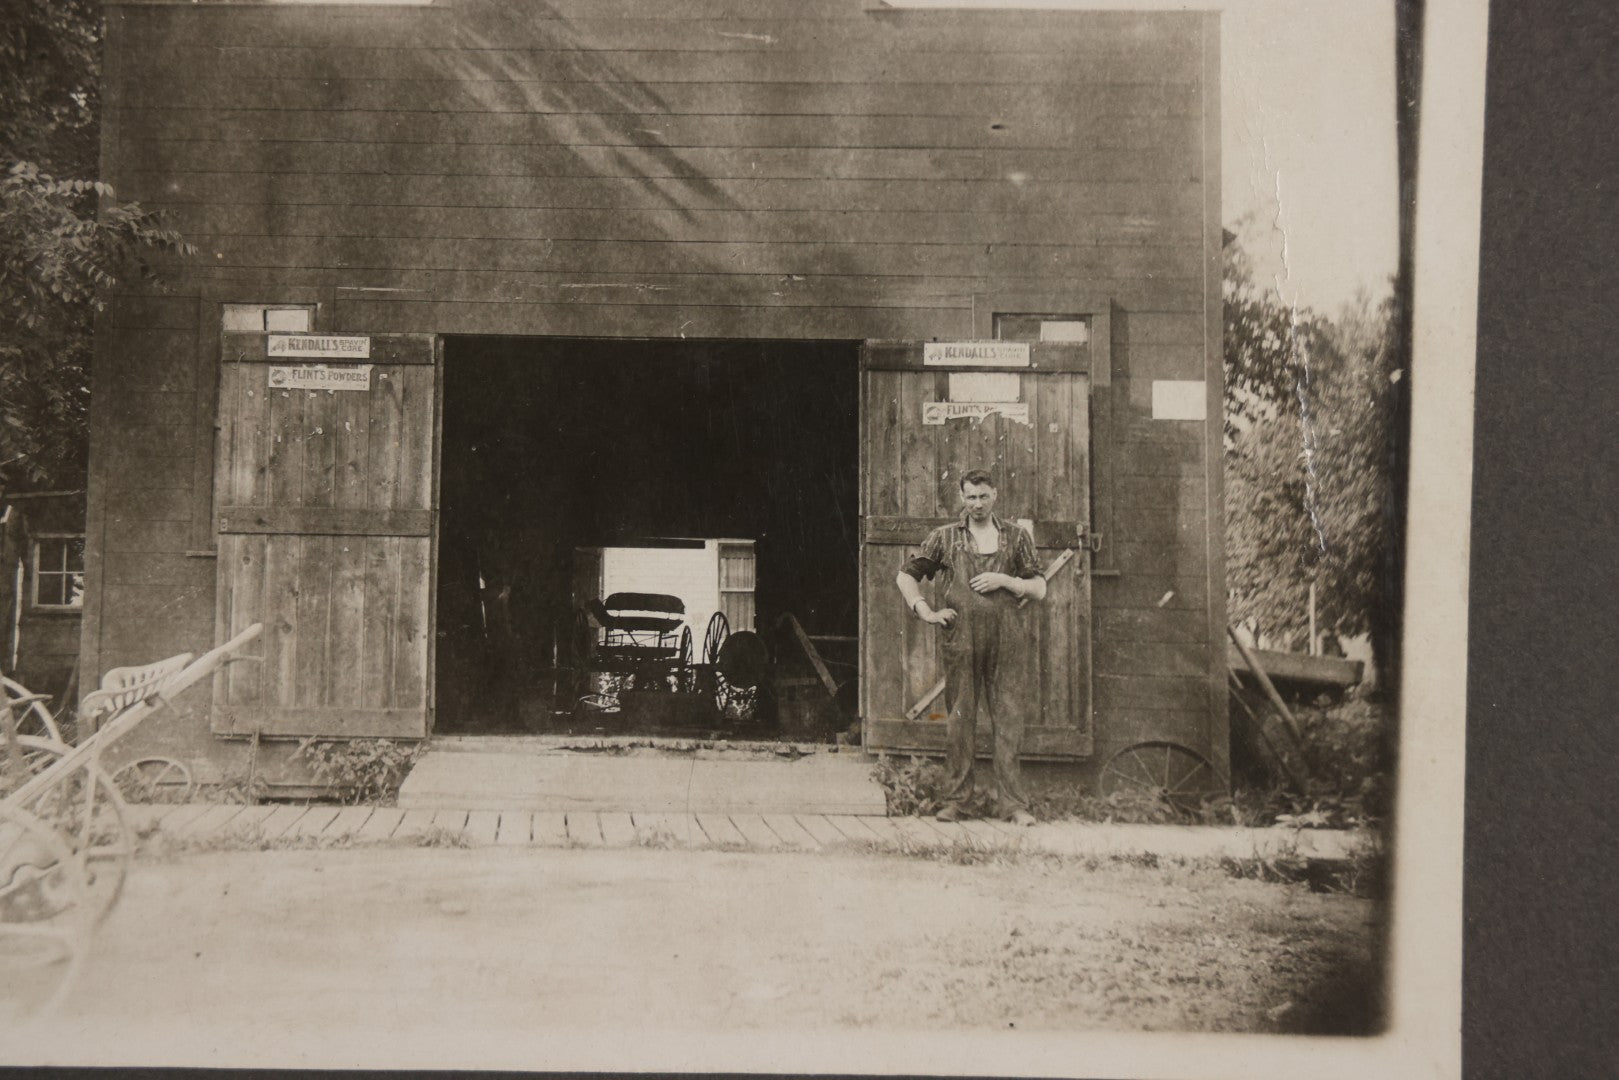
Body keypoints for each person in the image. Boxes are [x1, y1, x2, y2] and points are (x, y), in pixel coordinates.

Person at [894, 469, 1045, 826]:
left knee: (1008, 720)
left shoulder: (1016, 536)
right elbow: (905, 575)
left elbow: (1040, 587)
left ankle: (1014, 806)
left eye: (983, 496)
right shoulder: (945, 537)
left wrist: (1006, 580)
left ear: (995, 495)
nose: (977, 504)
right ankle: (957, 802)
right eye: (971, 497)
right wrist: (926, 611)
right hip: (961, 638)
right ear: (962, 498)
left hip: (1006, 640)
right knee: (960, 721)